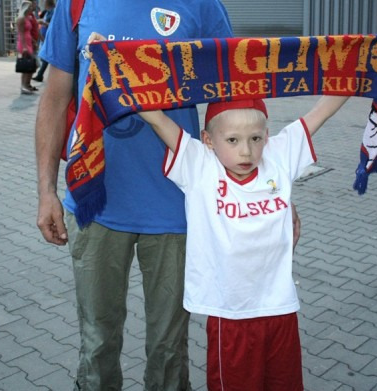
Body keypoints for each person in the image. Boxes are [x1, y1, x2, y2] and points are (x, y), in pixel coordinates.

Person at [34, 0, 234, 390]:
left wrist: (264, 190)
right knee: (98, 341)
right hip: (96, 202)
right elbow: (55, 99)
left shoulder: (200, 4)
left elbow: (232, 109)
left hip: (178, 204)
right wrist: (46, 191)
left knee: (169, 349)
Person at [138, 95, 347, 391]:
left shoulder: (278, 156)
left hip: (280, 309)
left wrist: (362, 72)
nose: (246, 151)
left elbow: (322, 112)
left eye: (255, 139)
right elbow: (157, 118)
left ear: (267, 137)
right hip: (231, 313)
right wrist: (117, 75)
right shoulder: (199, 165)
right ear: (208, 140)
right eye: (233, 140)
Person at [16, 1, 39, 95]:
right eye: (29, 7)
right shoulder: (21, 19)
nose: (31, 9)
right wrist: (25, 47)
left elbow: (29, 32)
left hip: (28, 42)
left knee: (32, 64)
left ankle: (27, 84)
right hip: (24, 43)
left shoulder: (27, 18)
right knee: (27, 65)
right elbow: (21, 34)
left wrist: (33, 42)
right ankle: (24, 85)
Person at [32, 0, 55, 82]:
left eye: (44, 3)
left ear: (47, 4)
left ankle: (40, 75)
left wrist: (43, 22)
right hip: (45, 37)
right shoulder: (47, 12)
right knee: (46, 56)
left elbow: (54, 25)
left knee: (46, 56)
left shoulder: (53, 12)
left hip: (49, 37)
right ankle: (40, 75)